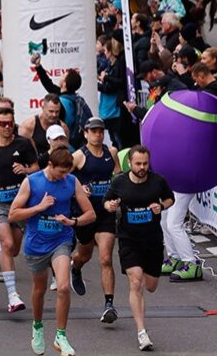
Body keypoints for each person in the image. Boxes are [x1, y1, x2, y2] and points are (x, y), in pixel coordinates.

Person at [8, 149, 95, 356]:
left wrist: (72, 221)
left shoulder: (71, 181)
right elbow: (13, 214)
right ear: (50, 164)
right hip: (36, 243)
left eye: (67, 172)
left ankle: (61, 335)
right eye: (60, 172)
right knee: (39, 290)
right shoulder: (32, 181)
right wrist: (39, 207)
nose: (63, 176)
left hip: (61, 240)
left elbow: (90, 214)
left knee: (63, 287)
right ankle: (37, 327)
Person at [104, 145, 175, 351]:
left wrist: (161, 206)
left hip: (152, 241)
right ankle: (142, 332)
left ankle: (144, 287)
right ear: (130, 163)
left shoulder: (158, 181)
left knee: (150, 285)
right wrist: (111, 206)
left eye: (145, 164)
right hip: (129, 240)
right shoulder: (120, 182)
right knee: (136, 282)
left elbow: (170, 198)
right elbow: (106, 202)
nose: (142, 167)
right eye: (138, 164)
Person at [0, 106, 39, 313]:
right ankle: (13, 295)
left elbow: (36, 166)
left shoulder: (23, 144)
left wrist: (26, 169)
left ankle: (0, 253)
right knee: (8, 243)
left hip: (19, 203)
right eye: (2, 124)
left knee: (14, 249)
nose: (7, 127)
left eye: (10, 123)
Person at [69, 117, 121, 324]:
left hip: (106, 213)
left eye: (100, 131)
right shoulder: (79, 156)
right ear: (86, 134)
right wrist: (78, 190)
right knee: (86, 254)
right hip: (85, 213)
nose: (98, 134)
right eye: (94, 131)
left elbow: (119, 179)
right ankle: (76, 266)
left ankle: (109, 304)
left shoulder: (112, 152)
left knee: (106, 258)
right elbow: (63, 178)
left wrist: (116, 199)